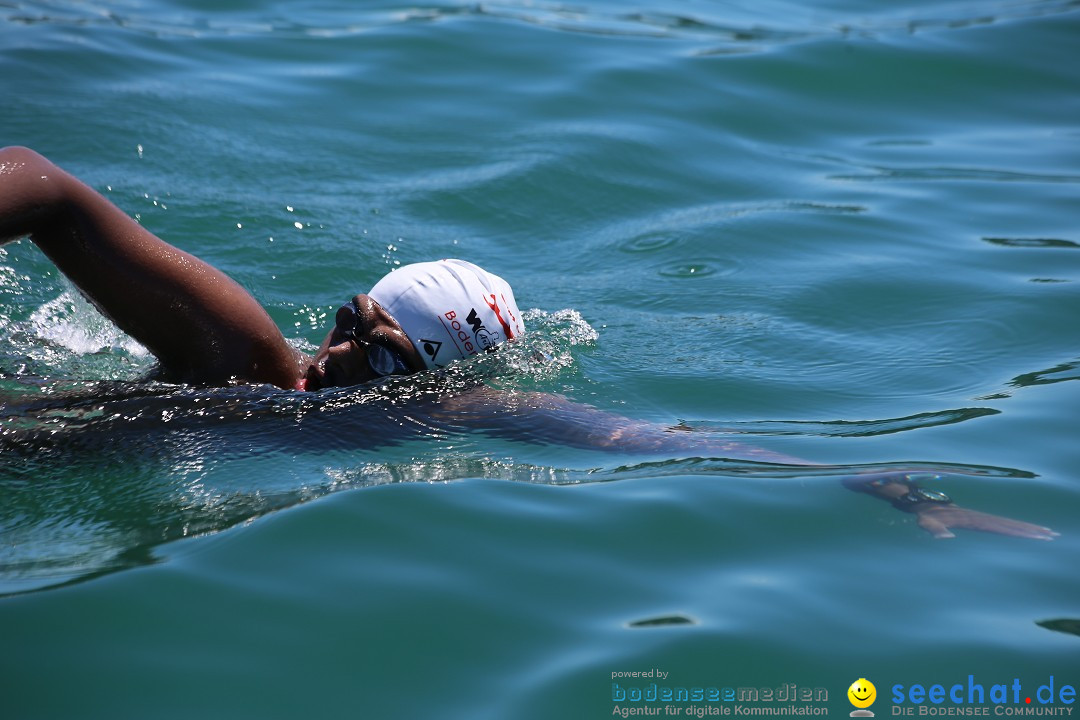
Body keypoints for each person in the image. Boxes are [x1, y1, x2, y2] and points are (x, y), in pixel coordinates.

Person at [0, 146, 1057, 541]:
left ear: (425, 384)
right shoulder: (243, 357)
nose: (328, 356)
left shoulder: (442, 421)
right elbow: (42, 182)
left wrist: (888, 482)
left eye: (373, 352)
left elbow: (652, 440)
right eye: (342, 319)